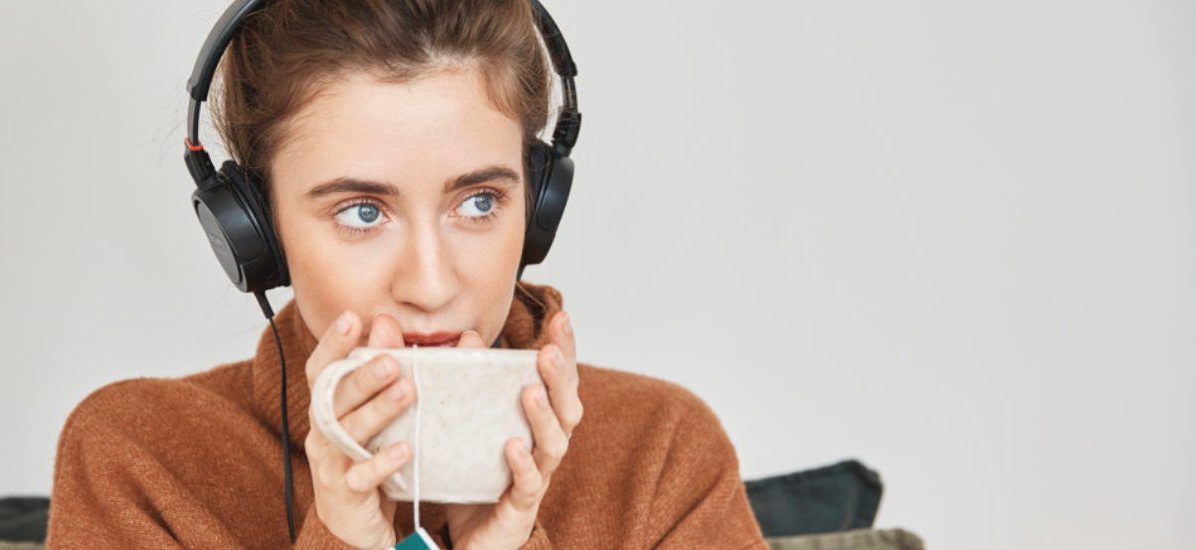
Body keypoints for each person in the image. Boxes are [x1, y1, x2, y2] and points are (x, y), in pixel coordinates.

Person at [46, 0, 768, 548]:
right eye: (362, 212)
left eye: (478, 201)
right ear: (257, 230)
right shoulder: (139, 461)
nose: (430, 285)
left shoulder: (664, 454)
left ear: (538, 202)